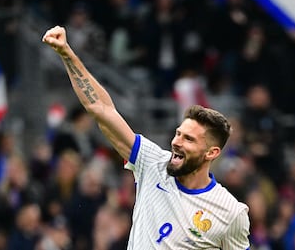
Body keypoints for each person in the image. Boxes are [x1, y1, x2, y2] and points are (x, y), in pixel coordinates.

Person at [42, 26, 250, 249]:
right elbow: (101, 108)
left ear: (211, 152)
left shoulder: (230, 212)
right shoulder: (152, 163)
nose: (177, 142)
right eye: (178, 134)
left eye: (189, 139)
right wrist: (67, 54)